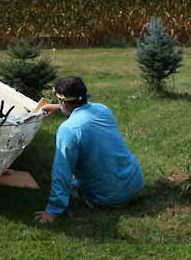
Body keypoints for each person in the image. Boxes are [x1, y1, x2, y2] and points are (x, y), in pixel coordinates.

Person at [35, 76, 144, 224]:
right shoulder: (102, 110)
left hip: (110, 199)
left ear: (63, 101)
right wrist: (58, 108)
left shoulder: (68, 130)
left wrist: (52, 211)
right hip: (136, 186)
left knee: (70, 175)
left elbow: (61, 173)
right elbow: (83, 111)